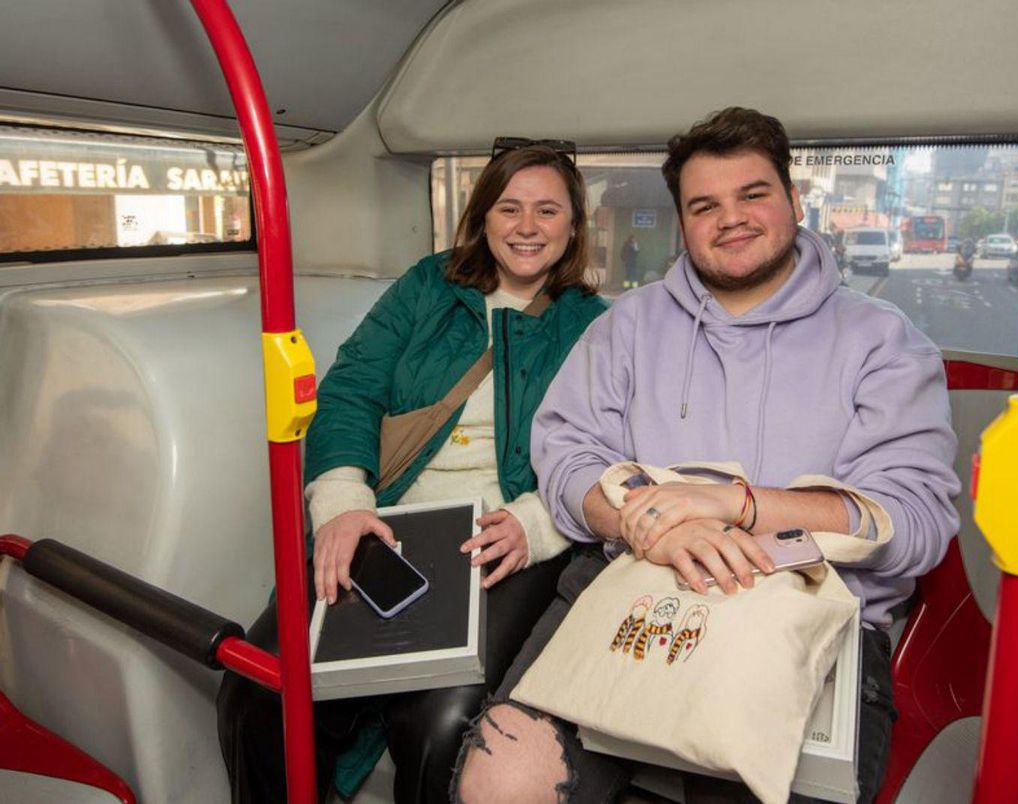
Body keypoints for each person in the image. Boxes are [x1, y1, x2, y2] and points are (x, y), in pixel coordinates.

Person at [453, 108, 960, 803]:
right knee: (502, 779)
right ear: (683, 222)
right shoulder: (626, 328)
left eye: (752, 194)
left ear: (793, 200)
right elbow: (568, 456)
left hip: (806, 610)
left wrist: (737, 505)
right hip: (635, 589)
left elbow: (914, 523)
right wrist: (650, 524)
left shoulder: (883, 343)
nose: (732, 218)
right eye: (704, 206)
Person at [216, 139, 608, 803]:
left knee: (439, 726)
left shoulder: (592, 325)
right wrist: (343, 503)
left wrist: (536, 525)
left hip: (503, 537)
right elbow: (352, 387)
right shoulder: (428, 287)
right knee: (260, 687)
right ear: (482, 217)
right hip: (387, 518)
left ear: (572, 227)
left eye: (547, 211)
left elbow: (605, 446)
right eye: (509, 208)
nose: (527, 227)